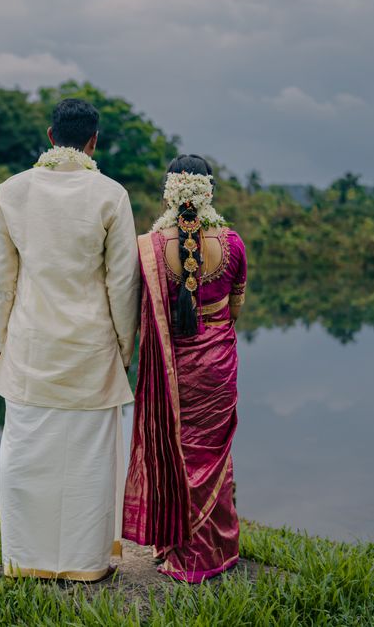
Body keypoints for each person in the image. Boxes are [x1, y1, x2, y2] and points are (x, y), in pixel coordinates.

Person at [0, 98, 141, 581]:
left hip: (30, 346)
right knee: (90, 458)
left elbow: (0, 282)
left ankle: (23, 559)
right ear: (94, 141)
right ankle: (85, 564)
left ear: (51, 136)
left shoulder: (12, 191)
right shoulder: (110, 195)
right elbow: (123, 283)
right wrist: (124, 348)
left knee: (25, 452)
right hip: (91, 348)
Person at [122, 154, 247, 583]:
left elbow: (135, 305)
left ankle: (175, 547)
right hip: (217, 364)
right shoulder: (233, 244)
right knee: (212, 454)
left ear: (167, 193)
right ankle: (217, 550)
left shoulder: (150, 248)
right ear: (209, 191)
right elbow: (235, 309)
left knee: (177, 451)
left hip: (172, 365)